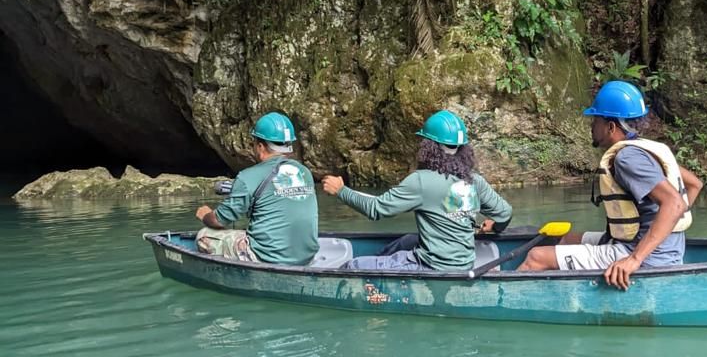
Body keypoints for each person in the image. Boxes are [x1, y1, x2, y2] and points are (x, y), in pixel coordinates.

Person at [518, 80, 702, 289]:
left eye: (595, 119)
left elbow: (675, 204)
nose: (591, 125)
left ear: (610, 126)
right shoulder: (645, 149)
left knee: (537, 256)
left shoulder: (627, 158)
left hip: (644, 256)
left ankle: (509, 303)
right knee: (568, 238)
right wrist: (668, 234)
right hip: (661, 250)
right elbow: (695, 184)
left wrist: (635, 259)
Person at [321, 110, 512, 271]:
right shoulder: (475, 181)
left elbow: (376, 209)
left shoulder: (421, 181)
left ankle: (374, 271)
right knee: (407, 241)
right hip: (465, 264)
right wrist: (495, 227)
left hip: (432, 266)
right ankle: (381, 264)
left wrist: (341, 191)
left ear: (429, 146)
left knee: (353, 267)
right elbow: (504, 213)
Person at [194, 112, 319, 266]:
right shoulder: (305, 172)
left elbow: (219, 220)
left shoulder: (247, 177)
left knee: (203, 236)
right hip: (306, 256)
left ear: (260, 146)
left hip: (268, 257)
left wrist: (205, 215)